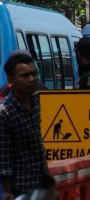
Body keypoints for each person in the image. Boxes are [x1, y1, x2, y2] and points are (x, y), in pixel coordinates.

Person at [0, 51, 55, 199]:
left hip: (40, 182)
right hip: (20, 187)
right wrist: (7, 191)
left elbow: (37, 143)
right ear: (11, 79)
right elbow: (4, 155)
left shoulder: (35, 101)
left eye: (33, 74)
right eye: (25, 76)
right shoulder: (5, 112)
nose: (31, 79)